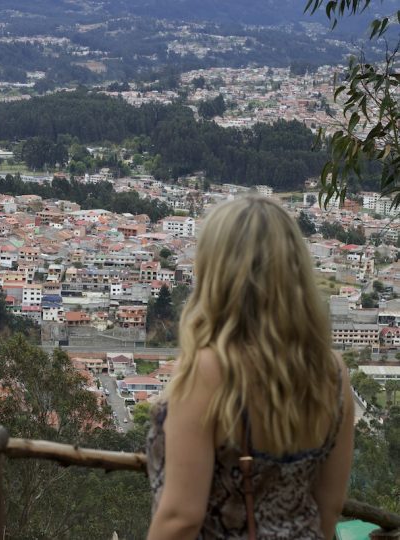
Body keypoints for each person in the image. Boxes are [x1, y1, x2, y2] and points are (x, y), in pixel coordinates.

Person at [146, 196, 354, 540]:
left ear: (216, 270)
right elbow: (330, 506)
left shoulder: (210, 370)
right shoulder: (332, 372)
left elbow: (181, 518)